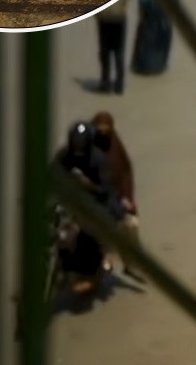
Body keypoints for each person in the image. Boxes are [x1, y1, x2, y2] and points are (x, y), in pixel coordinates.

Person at [54, 121, 124, 294]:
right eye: (75, 144)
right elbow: (51, 174)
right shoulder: (64, 155)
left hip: (95, 203)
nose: (78, 148)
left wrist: (88, 184)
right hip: (70, 201)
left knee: (89, 234)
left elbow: (105, 190)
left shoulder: (98, 159)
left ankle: (91, 270)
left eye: (81, 145)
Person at [91, 111, 145, 282]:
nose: (103, 135)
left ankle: (131, 265)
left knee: (130, 223)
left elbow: (126, 169)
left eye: (107, 131)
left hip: (114, 195)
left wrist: (127, 197)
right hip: (90, 195)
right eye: (100, 131)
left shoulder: (115, 143)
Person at [131, 0, 178, 75]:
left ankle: (147, 67)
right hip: (165, 11)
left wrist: (143, 1)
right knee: (160, 38)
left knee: (149, 38)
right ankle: (159, 66)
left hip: (153, 9)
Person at [95, 0, 129, 94]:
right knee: (119, 52)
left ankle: (106, 84)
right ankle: (119, 85)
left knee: (105, 52)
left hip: (105, 17)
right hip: (119, 17)